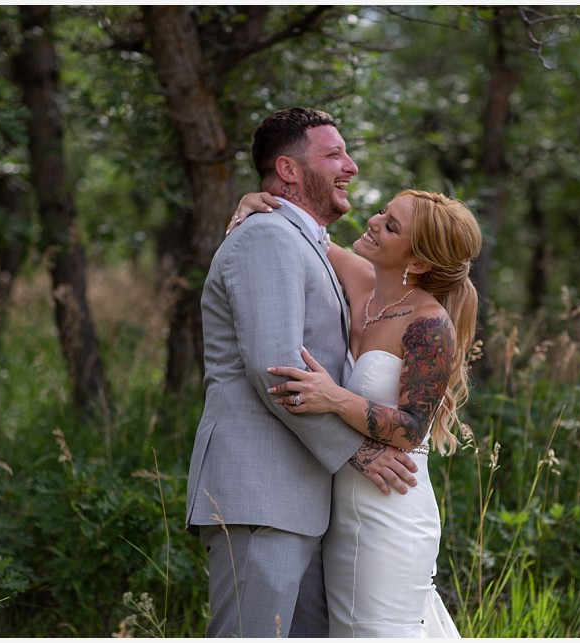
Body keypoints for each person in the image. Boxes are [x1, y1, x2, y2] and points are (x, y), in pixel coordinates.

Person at [185, 107, 420, 638]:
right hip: (259, 492)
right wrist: (358, 452)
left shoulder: (304, 243)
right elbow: (278, 369)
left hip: (302, 500)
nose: (351, 166)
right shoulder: (266, 237)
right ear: (288, 170)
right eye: (334, 153)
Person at [230, 187, 482, 637]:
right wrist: (258, 203)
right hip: (339, 509)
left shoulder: (429, 323)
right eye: (384, 211)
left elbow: (410, 430)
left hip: (390, 507)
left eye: (391, 226)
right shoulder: (363, 285)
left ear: (418, 262)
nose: (373, 221)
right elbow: (304, 235)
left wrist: (334, 397)